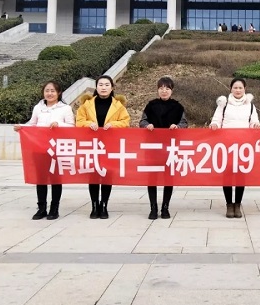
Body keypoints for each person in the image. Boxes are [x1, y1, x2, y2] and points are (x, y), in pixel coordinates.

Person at [14, 80, 74, 220]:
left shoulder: (65, 108)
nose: (49, 93)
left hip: (57, 148)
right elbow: (32, 125)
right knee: (40, 178)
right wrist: (22, 127)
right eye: (47, 90)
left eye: (53, 91)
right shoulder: (38, 107)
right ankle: (41, 208)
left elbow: (72, 126)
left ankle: (54, 208)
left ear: (59, 93)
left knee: (55, 179)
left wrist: (59, 124)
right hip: (39, 148)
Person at [76, 75, 130, 219]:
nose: (103, 87)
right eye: (100, 85)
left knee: (107, 175)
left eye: (107, 85)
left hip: (110, 145)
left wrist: (114, 124)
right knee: (93, 175)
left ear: (112, 88)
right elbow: (79, 121)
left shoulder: (119, 106)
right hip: (91, 145)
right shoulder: (86, 105)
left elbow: (125, 122)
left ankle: (104, 205)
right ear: (96, 87)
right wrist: (88, 124)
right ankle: (94, 206)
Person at [210, 78, 260, 218]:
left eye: (240, 88)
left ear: (245, 89)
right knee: (227, 174)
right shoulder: (224, 104)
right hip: (226, 145)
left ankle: (237, 204)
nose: (238, 90)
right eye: (235, 87)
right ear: (230, 89)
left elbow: (254, 121)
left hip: (243, 146)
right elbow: (216, 120)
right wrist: (214, 125)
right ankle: (229, 204)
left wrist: (256, 125)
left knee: (240, 175)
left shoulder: (250, 105)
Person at [139, 76, 188, 220]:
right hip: (152, 147)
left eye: (167, 88)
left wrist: (177, 127)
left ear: (172, 90)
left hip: (170, 148)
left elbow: (184, 124)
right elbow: (142, 121)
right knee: (152, 177)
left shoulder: (178, 107)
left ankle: (165, 207)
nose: (164, 91)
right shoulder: (151, 105)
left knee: (168, 177)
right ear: (157, 90)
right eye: (161, 88)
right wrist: (147, 125)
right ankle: (153, 207)